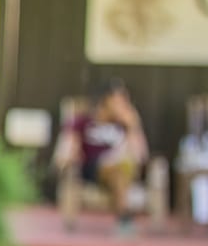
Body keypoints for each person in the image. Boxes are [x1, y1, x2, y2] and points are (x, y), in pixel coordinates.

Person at [54, 80, 147, 235]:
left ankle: (124, 220)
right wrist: (68, 157)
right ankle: (125, 221)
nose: (123, 104)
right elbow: (67, 149)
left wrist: (133, 127)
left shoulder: (125, 125)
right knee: (117, 170)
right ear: (105, 100)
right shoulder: (83, 121)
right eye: (118, 100)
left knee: (121, 169)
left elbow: (141, 156)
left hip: (124, 168)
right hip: (94, 168)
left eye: (125, 100)